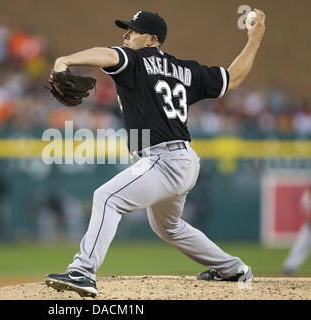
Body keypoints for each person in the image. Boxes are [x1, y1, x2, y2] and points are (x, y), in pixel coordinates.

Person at [44, 9, 266, 297]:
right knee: (168, 226)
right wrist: (255, 39)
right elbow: (232, 79)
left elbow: (109, 56)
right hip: (184, 160)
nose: (125, 36)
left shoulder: (134, 60)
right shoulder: (187, 70)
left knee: (107, 197)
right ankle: (233, 269)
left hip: (163, 159)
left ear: (151, 39)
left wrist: (66, 60)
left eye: (132, 31)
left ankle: (83, 271)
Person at [282, 186, 311, 275]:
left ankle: (290, 267)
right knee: (299, 246)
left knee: (300, 247)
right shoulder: (307, 196)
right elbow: (308, 214)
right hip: (309, 227)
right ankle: (290, 267)